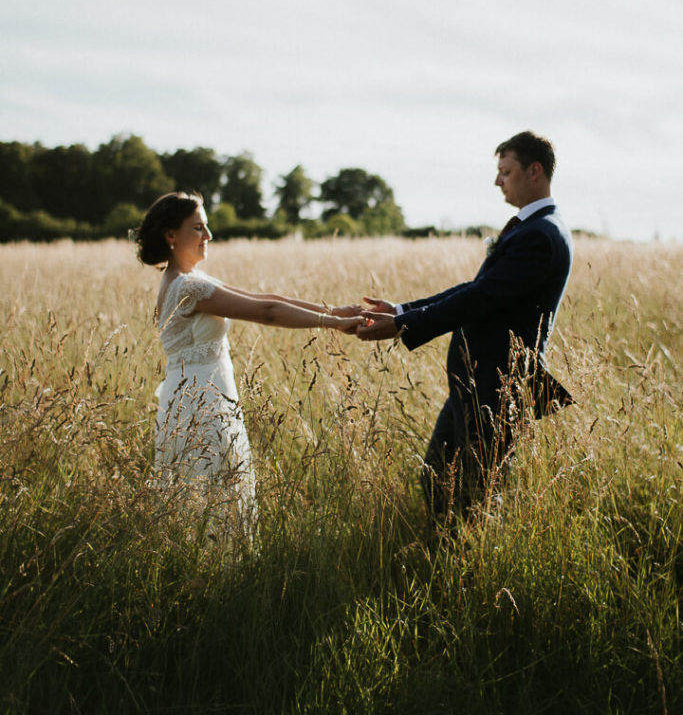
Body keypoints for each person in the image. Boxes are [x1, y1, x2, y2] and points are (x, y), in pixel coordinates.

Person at [356, 131, 573, 521]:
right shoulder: (535, 228)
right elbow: (478, 289)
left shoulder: (541, 234)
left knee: (476, 491)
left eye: (505, 172)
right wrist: (403, 309)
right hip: (477, 384)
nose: (498, 181)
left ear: (534, 170)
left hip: (497, 384)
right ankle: (450, 556)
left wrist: (403, 325)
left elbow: (480, 298)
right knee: (440, 477)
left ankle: (471, 569)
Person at [134, 192, 363, 519]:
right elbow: (266, 312)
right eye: (198, 228)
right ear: (171, 235)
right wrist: (334, 323)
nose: (208, 236)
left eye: (207, 227)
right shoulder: (187, 288)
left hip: (208, 397)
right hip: (199, 405)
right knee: (208, 495)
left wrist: (332, 310)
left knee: (216, 491)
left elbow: (263, 297)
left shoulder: (191, 281)